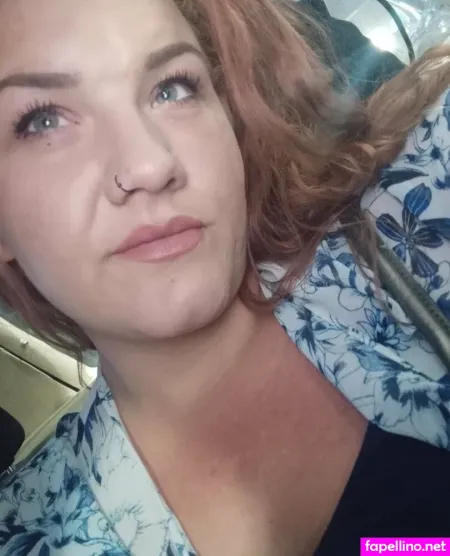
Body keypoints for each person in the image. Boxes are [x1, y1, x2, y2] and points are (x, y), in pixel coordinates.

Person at [0, 0, 450, 554]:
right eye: (43, 120)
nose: (150, 164)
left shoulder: (421, 215)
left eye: (173, 88)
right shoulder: (34, 534)